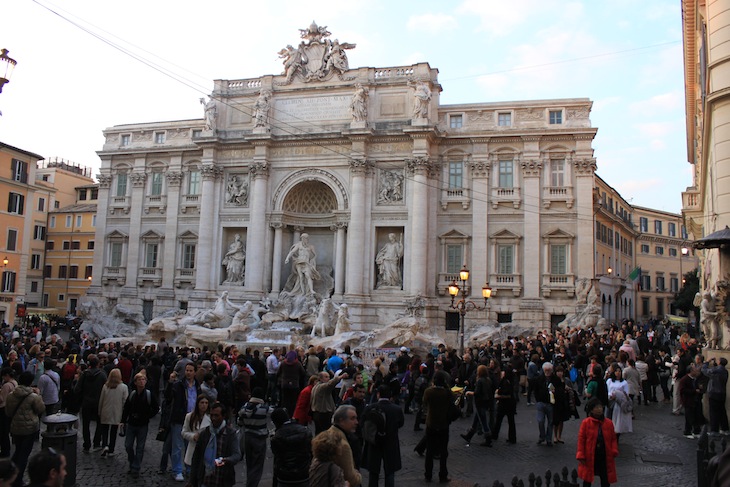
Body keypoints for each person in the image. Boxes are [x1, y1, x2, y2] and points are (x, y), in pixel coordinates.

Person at [5, 371, 44, 487]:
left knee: (17, 451)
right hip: (29, 429)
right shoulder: (33, 396)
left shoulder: (11, 395)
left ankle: (9, 473)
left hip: (16, 428)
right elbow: (41, 409)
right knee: (24, 454)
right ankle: (18, 478)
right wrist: (39, 395)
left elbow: (8, 412)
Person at [190, 402, 242, 487]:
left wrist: (226, 460)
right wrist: (192, 480)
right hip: (205, 480)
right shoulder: (205, 434)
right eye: (212, 415)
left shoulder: (230, 434)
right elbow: (196, 458)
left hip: (222, 480)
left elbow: (236, 455)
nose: (213, 418)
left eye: (216, 415)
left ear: (223, 416)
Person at [361, 385, 404, 487]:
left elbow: (362, 423)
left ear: (378, 394)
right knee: (390, 471)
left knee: (373, 471)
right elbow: (400, 423)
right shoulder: (396, 409)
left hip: (374, 442)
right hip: (391, 442)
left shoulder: (370, 408)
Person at [121, 372, 160, 478]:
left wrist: (148, 416)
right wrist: (123, 421)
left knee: (140, 447)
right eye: (140, 380)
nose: (142, 382)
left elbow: (156, 408)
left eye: (143, 380)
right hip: (132, 423)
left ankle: (136, 467)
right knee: (128, 445)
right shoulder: (133, 394)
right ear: (135, 382)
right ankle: (132, 462)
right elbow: (127, 408)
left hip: (143, 424)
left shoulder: (149, 394)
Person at [313, 405, 361, 487]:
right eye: (352, 418)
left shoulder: (325, 436)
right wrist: (358, 475)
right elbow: (351, 479)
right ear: (341, 421)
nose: (356, 422)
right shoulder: (343, 445)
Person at [167, 362, 201, 482]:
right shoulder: (178, 385)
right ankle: (177, 470)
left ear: (195, 372)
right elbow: (168, 397)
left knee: (190, 447)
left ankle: (189, 469)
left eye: (191, 370)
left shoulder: (198, 386)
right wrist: (170, 383)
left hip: (193, 420)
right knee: (177, 447)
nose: (188, 373)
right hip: (179, 419)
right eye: (187, 370)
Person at [576, 398, 619, 487]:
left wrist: (613, 450)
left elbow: (613, 438)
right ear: (591, 410)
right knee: (587, 479)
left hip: (604, 455)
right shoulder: (586, 423)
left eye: (600, 407)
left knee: (605, 478)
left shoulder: (608, 423)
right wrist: (581, 454)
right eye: (597, 407)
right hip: (590, 455)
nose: (599, 409)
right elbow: (581, 439)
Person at [422, 372, 452, 483]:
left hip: (431, 423)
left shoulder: (429, 392)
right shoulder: (447, 393)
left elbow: (424, 403)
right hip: (443, 424)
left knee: (429, 451)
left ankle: (428, 474)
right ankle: (443, 475)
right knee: (443, 451)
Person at [270, 407, 312, 487]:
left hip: (285, 477)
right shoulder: (305, 432)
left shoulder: (276, 437)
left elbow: (277, 460)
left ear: (276, 423)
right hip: (304, 474)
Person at [74, 354, 107, 452]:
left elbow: (77, 389)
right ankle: (97, 442)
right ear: (98, 364)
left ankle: (87, 444)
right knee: (99, 423)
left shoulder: (84, 374)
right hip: (98, 402)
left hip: (86, 402)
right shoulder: (102, 375)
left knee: (86, 424)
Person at [239, 387, 269, 487]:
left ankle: (249, 481)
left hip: (247, 437)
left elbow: (240, 422)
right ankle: (252, 484)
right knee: (258, 465)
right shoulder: (264, 409)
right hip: (260, 438)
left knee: (249, 463)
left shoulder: (244, 408)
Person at [98, 368, 128, 457]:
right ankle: (111, 449)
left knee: (105, 430)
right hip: (117, 412)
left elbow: (101, 400)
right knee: (113, 432)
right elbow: (125, 401)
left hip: (105, 410)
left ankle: (104, 445)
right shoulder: (123, 387)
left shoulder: (105, 386)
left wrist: (100, 411)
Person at [460, 364, 493, 446]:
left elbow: (477, 393)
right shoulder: (488, 380)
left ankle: (488, 439)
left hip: (480, 402)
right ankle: (469, 436)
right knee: (476, 420)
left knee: (483, 421)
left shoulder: (480, 381)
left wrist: (469, 392)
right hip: (486, 401)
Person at [181, 394, 211, 475]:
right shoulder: (189, 416)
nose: (204, 405)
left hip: (206, 449)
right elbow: (184, 432)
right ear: (197, 403)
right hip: (194, 447)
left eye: (206, 403)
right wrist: (193, 436)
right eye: (202, 402)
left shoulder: (211, 417)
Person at [310, 371, 347, 435]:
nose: (328, 379)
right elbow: (330, 384)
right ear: (320, 379)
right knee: (325, 433)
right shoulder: (322, 387)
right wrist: (341, 377)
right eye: (326, 377)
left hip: (317, 413)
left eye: (329, 377)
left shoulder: (315, 387)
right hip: (323, 414)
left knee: (319, 433)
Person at [534, 362, 560, 446]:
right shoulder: (539, 379)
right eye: (546, 370)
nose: (547, 372)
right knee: (540, 421)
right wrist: (538, 400)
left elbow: (560, 390)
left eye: (549, 370)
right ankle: (542, 436)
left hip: (551, 403)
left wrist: (555, 393)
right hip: (541, 402)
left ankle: (548, 438)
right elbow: (535, 390)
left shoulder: (555, 379)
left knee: (550, 422)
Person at [702, 357, 729, 435]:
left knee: (713, 412)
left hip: (714, 393)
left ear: (720, 362)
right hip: (722, 393)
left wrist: (707, 362)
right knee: (722, 411)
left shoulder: (716, 370)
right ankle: (725, 428)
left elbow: (705, 371)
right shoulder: (725, 371)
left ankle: (714, 430)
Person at [492, 368, 517, 444]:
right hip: (510, 404)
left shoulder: (505, 382)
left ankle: (495, 435)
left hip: (505, 404)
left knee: (499, 420)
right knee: (510, 421)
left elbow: (506, 394)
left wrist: (498, 396)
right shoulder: (510, 381)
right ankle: (512, 438)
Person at [0, 368, 17, 458]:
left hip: (3, 409)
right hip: (11, 409)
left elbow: (2, 399)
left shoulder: (6, 386)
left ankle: (5, 451)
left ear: (6, 375)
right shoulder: (15, 382)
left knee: (3, 432)